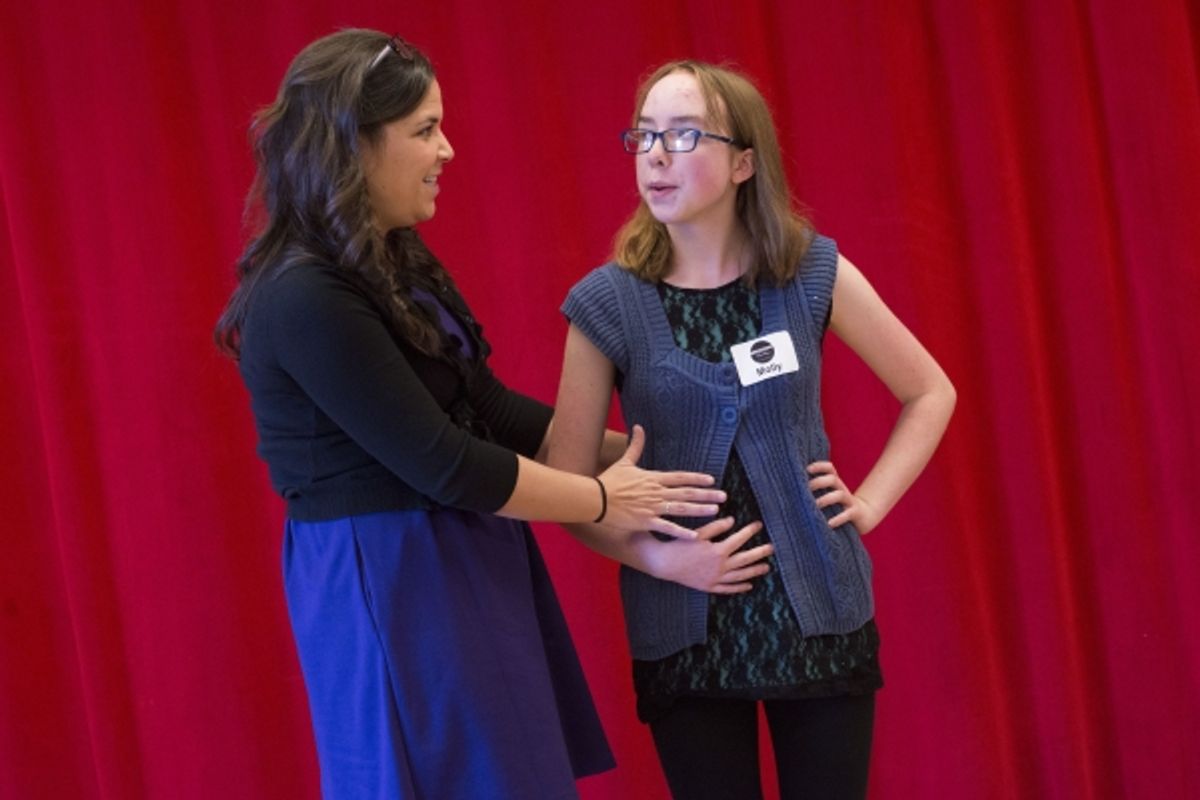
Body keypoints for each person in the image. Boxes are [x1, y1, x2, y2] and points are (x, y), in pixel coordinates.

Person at [213, 32, 773, 799]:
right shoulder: (305, 296)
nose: (446, 149)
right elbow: (446, 463)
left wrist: (656, 455)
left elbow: (488, 408)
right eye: (424, 130)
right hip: (390, 577)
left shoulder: (393, 260)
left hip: (466, 554)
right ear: (354, 145)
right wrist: (605, 499)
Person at [548, 60, 956, 799]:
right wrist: (662, 559)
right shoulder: (605, 305)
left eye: (683, 134)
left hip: (820, 617)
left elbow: (930, 391)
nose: (656, 156)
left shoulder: (811, 273)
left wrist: (870, 503)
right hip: (684, 631)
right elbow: (568, 491)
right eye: (643, 136)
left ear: (743, 162)